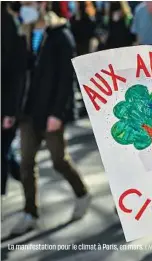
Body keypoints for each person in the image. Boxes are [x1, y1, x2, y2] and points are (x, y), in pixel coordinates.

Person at [10, 1, 90, 235]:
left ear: (43, 4)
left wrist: (58, 114)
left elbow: (66, 79)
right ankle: (30, 213)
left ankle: (82, 193)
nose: (26, 8)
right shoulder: (22, 33)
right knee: (26, 163)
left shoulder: (60, 35)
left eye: (30, 3)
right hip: (27, 112)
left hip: (50, 113)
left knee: (58, 161)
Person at [1, 2, 26, 199]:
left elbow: (16, 73)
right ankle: (23, 175)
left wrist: (10, 110)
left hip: (5, 105)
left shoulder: (9, 24)